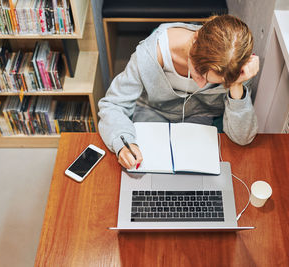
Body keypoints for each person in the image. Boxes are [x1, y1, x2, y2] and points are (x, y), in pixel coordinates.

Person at [98, 14, 259, 169]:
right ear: (195, 40)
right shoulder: (149, 55)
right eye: (199, 72)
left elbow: (242, 138)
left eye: (212, 82)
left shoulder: (238, 69)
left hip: (202, 121)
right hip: (153, 114)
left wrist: (236, 84)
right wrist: (124, 144)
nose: (202, 85)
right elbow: (112, 105)